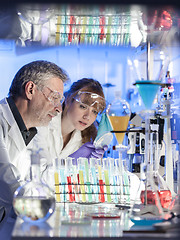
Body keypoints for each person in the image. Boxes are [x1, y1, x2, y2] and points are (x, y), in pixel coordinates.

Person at [0, 60, 69, 232]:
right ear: (30, 90)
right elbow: (7, 181)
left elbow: (45, 178)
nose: (59, 108)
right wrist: (52, 211)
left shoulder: (34, 132)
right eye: (54, 98)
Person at [33, 78, 108, 167]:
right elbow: (38, 174)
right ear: (68, 100)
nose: (87, 117)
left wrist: (93, 166)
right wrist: (70, 163)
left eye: (94, 112)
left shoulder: (85, 140)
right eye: (83, 106)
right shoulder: (42, 124)